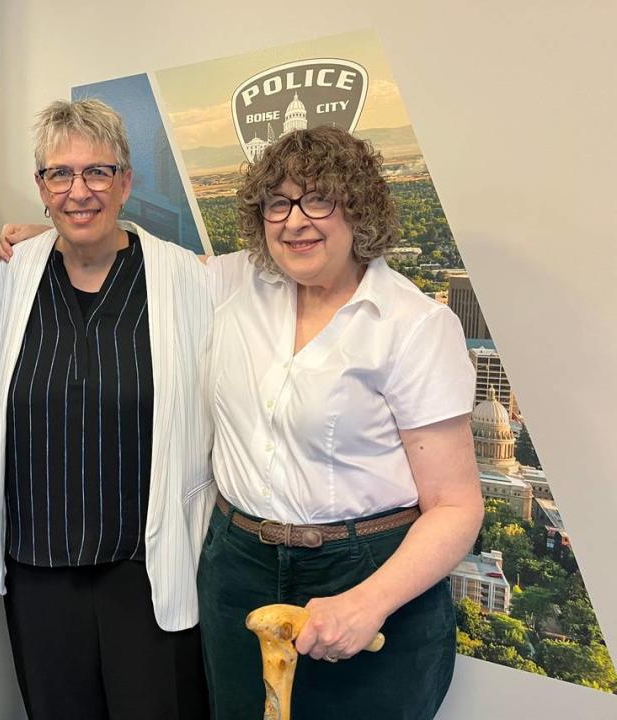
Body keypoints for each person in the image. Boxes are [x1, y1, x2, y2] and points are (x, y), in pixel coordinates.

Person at [197, 126, 483, 719]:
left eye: (318, 199)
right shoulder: (239, 290)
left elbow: (457, 506)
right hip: (237, 566)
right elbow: (141, 263)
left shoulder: (412, 326)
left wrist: (367, 603)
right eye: (279, 203)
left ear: (359, 208)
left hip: (365, 570)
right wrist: (48, 239)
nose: (295, 220)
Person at [0, 98, 213, 720]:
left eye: (97, 172)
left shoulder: (181, 280)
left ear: (126, 181)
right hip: (39, 569)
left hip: (144, 568)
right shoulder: (12, 276)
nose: (78, 191)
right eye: (60, 174)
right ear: (41, 187)